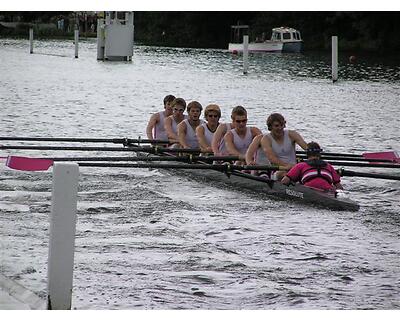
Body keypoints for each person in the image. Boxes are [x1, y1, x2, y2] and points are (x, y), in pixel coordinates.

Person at [259, 113, 307, 179]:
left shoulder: (292, 134)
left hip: (294, 168)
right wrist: (286, 166)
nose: (280, 128)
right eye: (276, 126)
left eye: (282, 125)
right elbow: (272, 158)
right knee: (284, 174)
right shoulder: (266, 139)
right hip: (277, 169)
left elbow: (306, 147)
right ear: (270, 127)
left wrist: (313, 152)